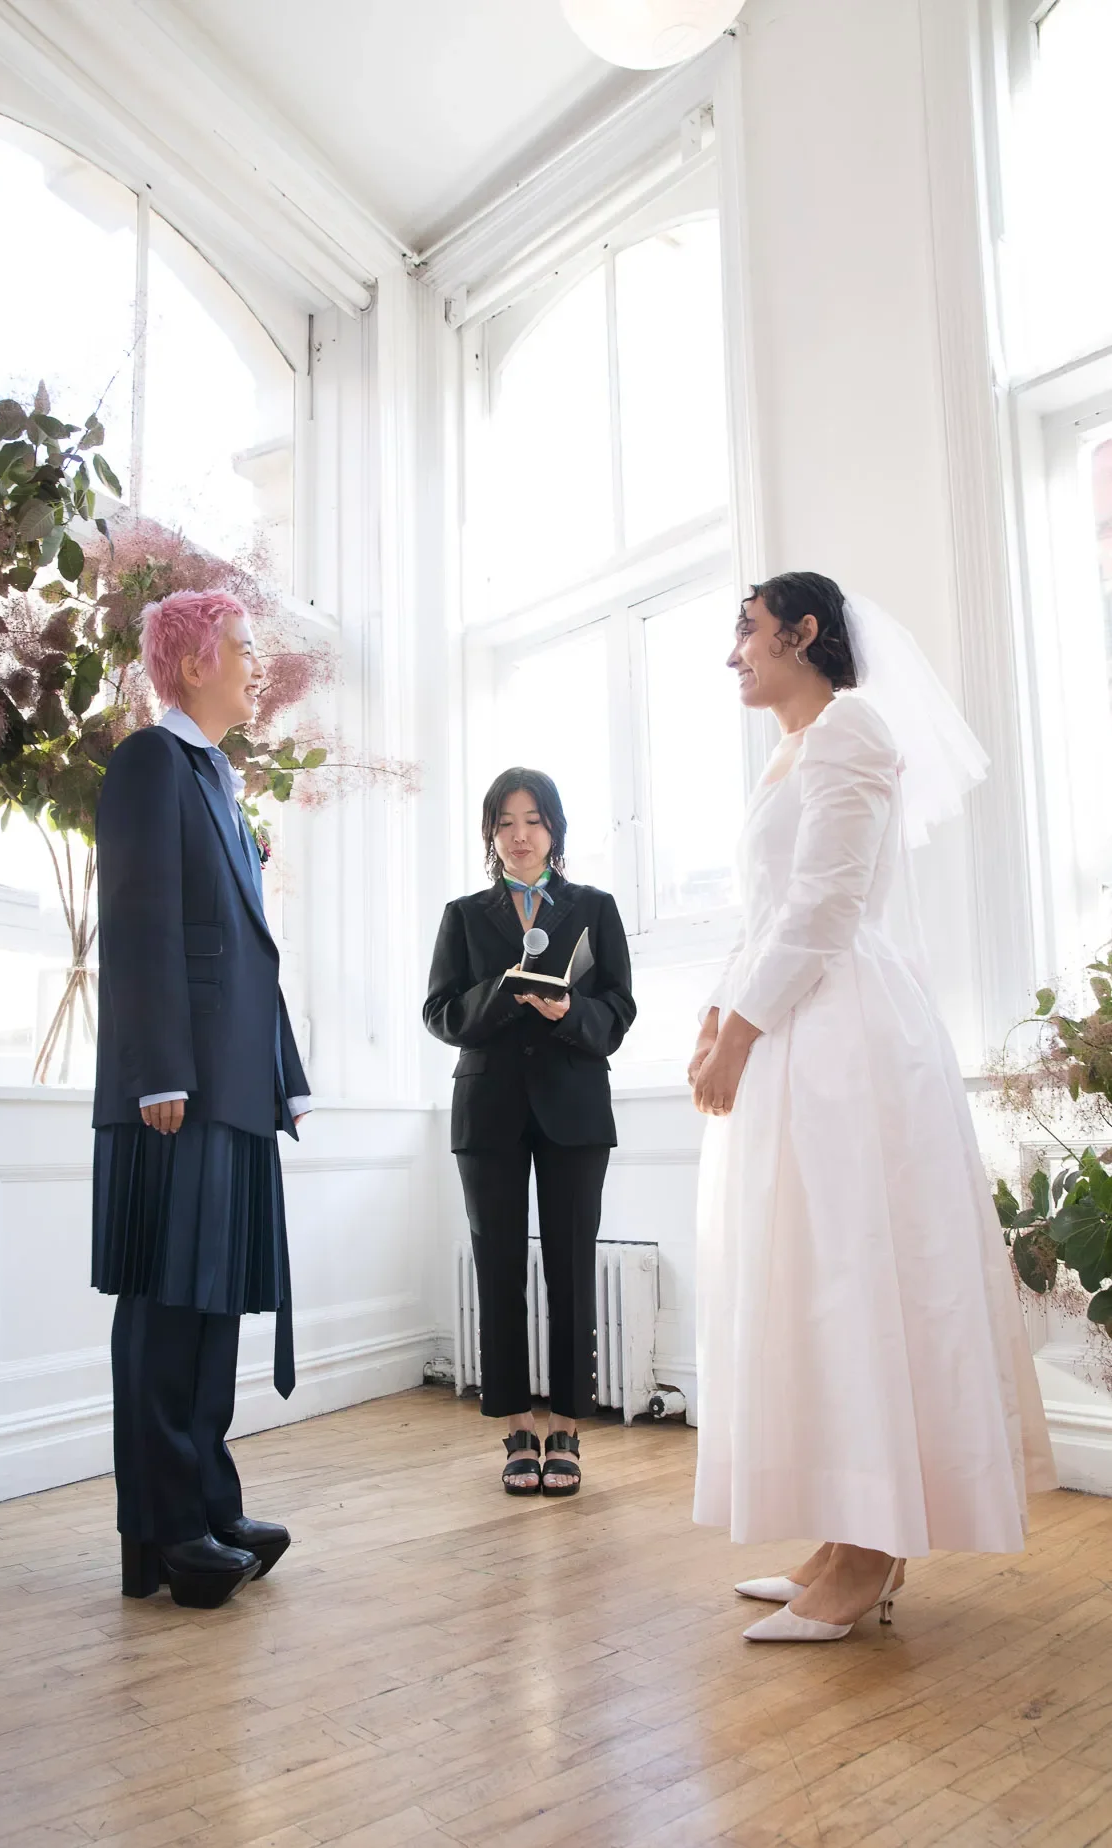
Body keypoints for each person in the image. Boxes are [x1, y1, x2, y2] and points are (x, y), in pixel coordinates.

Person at [689, 572, 1055, 1643]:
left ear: (805, 632)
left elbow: (826, 903)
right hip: (790, 1029)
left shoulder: (854, 728)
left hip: (842, 1035)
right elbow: (757, 906)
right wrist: (713, 1014)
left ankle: (875, 1546)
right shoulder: (789, 749)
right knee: (807, 1281)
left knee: (853, 1277)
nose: (734, 654)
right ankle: (841, 1531)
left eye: (747, 633)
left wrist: (744, 1031)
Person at [91, 588, 311, 1609]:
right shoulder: (148, 763)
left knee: (213, 1302)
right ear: (189, 664)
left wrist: (284, 1075)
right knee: (167, 1305)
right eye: (241, 648)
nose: (254, 664)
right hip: (174, 1089)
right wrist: (158, 1073)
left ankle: (208, 1505)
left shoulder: (219, 779)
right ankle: (163, 1527)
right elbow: (136, 922)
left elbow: (246, 953)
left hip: (230, 1088)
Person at [424, 769, 636, 1496]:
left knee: (573, 1266)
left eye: (534, 820)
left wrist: (567, 1013)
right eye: (505, 822)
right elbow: (441, 1013)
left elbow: (617, 1011)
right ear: (490, 832)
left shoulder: (594, 908)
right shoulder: (462, 914)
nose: (520, 835)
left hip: (575, 1108)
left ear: (555, 830)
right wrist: (506, 990)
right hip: (488, 1113)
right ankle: (515, 1424)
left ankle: (568, 1430)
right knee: (500, 1270)